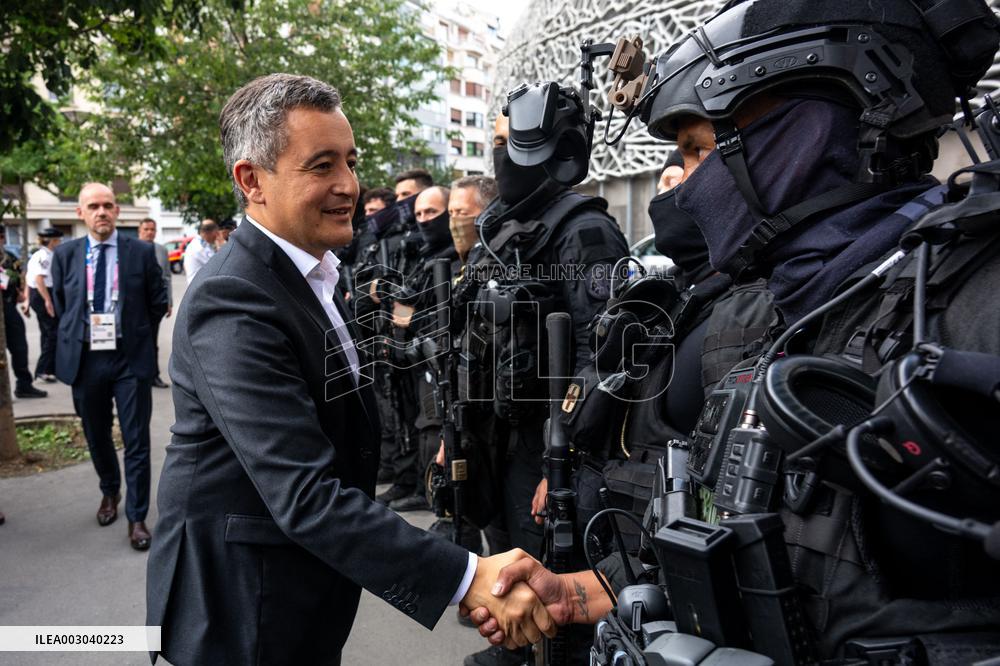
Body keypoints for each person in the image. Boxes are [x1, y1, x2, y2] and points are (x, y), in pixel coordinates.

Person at [472, 0, 1000, 661]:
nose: (685, 191)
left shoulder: (975, 302)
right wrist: (571, 594)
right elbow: (727, 529)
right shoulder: (759, 317)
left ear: (808, 133)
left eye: (697, 150)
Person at [146, 73, 554, 665]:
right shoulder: (233, 298)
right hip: (241, 609)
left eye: (351, 161)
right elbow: (305, 493)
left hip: (299, 588)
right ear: (251, 180)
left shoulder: (317, 274)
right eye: (321, 165)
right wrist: (468, 578)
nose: (349, 185)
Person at [457, 110, 630, 666]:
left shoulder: (585, 228)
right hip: (501, 431)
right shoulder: (503, 225)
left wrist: (569, 451)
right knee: (503, 558)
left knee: (552, 582)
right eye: (498, 144)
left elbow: (602, 353)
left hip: (551, 443)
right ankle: (512, 653)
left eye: (514, 144)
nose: (502, 157)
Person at [51, 183, 168, 550]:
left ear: (117, 211)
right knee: (96, 434)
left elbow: (156, 303)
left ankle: (136, 516)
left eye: (108, 205)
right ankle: (109, 492)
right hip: (86, 359)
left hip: (129, 358)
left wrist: (137, 337)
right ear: (80, 213)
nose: (101, 212)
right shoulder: (66, 255)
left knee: (136, 439)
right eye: (94, 206)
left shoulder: (142, 252)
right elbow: (61, 303)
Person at [1, 226, 46, 399]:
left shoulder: (10, 258)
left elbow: (21, 280)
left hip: (9, 307)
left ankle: (24, 385)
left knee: (19, 347)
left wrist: (22, 296)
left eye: (1, 237)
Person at [137, 218, 172, 389]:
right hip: (135, 306)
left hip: (155, 305)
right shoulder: (131, 249)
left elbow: (167, 277)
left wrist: (168, 301)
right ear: (139, 231)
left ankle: (153, 375)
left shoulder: (161, 250)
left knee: (152, 342)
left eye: (152, 229)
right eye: (146, 229)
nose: (149, 232)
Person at [26, 227, 63, 383]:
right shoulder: (43, 256)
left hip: (40, 294)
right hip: (43, 294)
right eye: (58, 240)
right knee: (52, 333)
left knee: (47, 332)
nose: (60, 243)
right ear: (52, 241)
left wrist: (28, 301)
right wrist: (48, 300)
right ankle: (43, 369)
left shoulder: (43, 254)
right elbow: (39, 279)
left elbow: (28, 278)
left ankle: (49, 369)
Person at [448, 175, 497, 262]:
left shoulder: (499, 261)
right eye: (451, 213)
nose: (454, 222)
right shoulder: (453, 263)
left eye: (462, 213)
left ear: (488, 212)